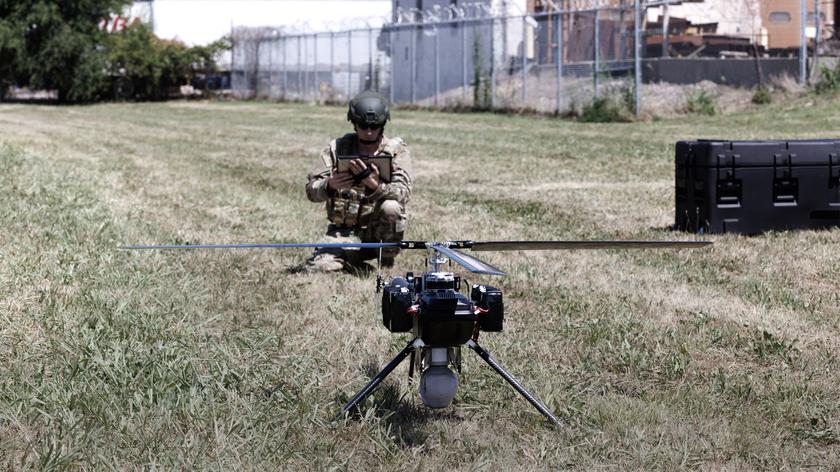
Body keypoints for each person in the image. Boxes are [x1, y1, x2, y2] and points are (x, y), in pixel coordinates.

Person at [304, 90, 413, 272]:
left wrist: (374, 185)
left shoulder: (396, 152)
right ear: (354, 123)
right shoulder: (337, 149)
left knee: (391, 207)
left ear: (383, 124)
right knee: (320, 267)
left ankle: (386, 259)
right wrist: (329, 185)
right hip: (343, 233)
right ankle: (351, 262)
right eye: (363, 126)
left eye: (374, 126)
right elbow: (311, 191)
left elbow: (404, 193)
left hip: (377, 234)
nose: (369, 131)